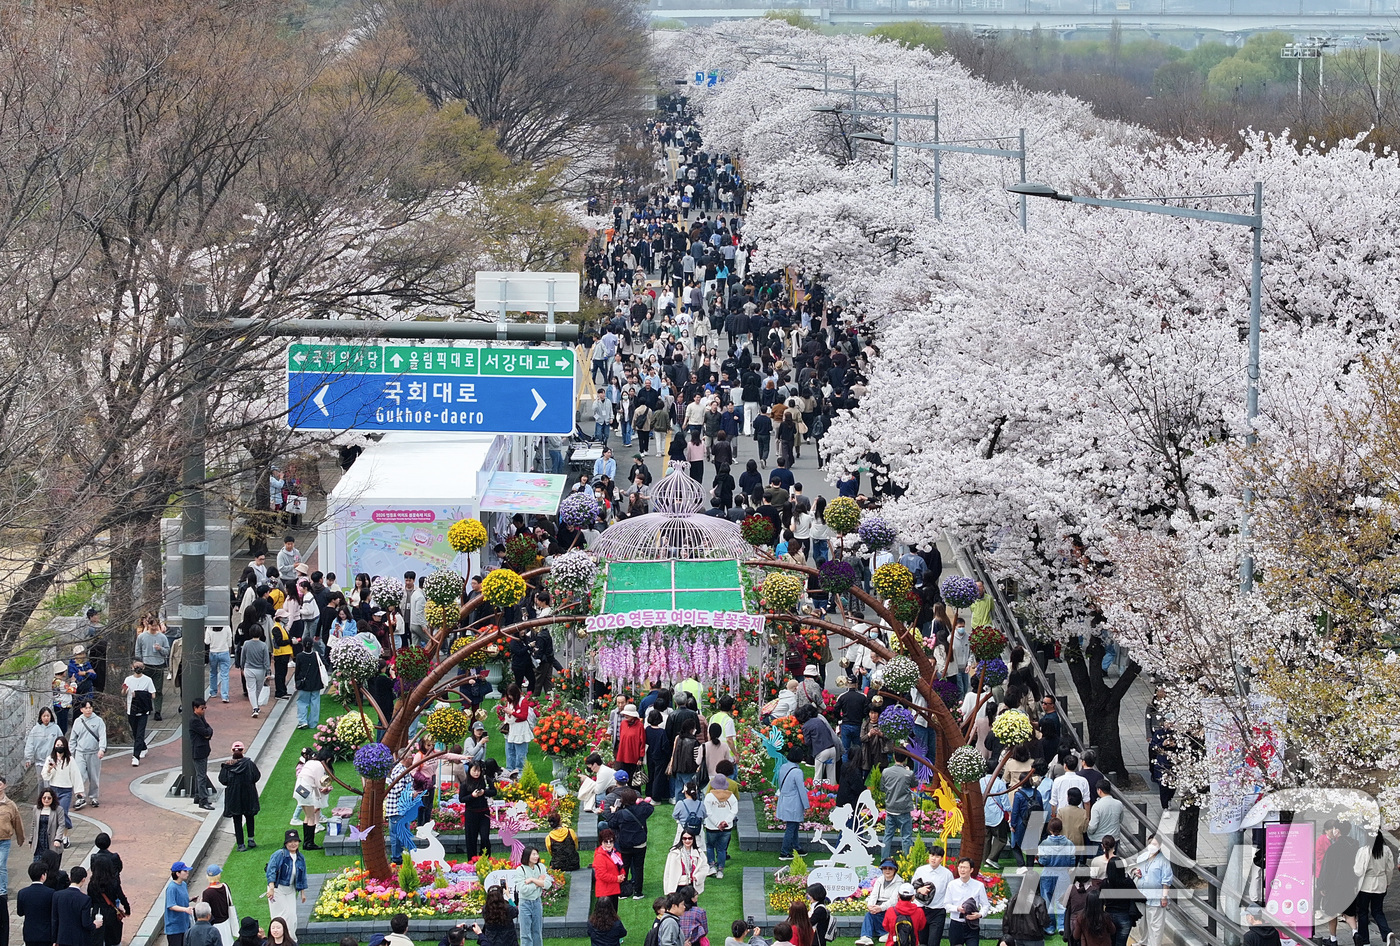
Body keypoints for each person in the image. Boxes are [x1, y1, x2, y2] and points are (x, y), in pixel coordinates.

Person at [604, 790, 654, 900]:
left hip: (625, 844)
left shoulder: (620, 813)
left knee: (624, 867)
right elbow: (651, 808)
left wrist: (614, 811)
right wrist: (640, 802)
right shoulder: (641, 809)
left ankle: (623, 892)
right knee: (638, 867)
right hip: (639, 843)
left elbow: (611, 823)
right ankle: (638, 892)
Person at [1037, 817, 1076, 938]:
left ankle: (1049, 927)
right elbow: (1072, 861)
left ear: (1049, 829)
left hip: (1048, 873)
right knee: (1062, 900)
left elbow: (1042, 860)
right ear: (1061, 828)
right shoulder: (1069, 843)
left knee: (1047, 901)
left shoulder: (1044, 843)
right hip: (1063, 873)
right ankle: (1062, 926)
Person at [220, 741, 262, 852]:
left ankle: (240, 844)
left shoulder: (227, 766)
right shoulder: (249, 764)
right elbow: (256, 776)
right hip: (248, 794)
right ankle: (251, 839)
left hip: (234, 796)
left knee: (237, 820)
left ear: (232, 750)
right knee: (250, 817)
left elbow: (223, 780)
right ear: (243, 750)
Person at [1132, 834, 1173, 946]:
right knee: (1142, 923)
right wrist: (1135, 872)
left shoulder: (1164, 861)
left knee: (1155, 925)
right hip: (1141, 895)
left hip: (1156, 897)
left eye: (1154, 844)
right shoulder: (1142, 857)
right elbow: (1134, 869)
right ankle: (1144, 941)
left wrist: (1164, 897)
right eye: (1150, 843)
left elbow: (1166, 881)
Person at [1354, 832, 1394, 946]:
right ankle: (1387, 933)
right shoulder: (1386, 850)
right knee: (1378, 911)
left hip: (1366, 885)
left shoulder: (1364, 850)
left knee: (1363, 912)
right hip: (1381, 883)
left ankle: (1365, 940)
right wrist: (1388, 882)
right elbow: (1390, 869)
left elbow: (1358, 871)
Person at [940, 858, 989, 946]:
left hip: (972, 924)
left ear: (971, 870)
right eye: (960, 867)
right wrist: (957, 909)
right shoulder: (952, 885)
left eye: (965, 867)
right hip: (956, 924)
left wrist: (980, 914)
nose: (962, 870)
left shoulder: (979, 886)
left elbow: (985, 905)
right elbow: (946, 905)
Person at [69, 700, 107, 810]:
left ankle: (94, 796)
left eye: (90, 707)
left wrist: (101, 749)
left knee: (94, 776)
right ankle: (80, 797)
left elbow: (102, 736)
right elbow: (73, 739)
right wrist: (70, 753)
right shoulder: (78, 721)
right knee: (79, 775)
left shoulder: (98, 721)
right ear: (81, 710)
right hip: (80, 752)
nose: (88, 710)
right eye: (86, 708)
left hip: (94, 753)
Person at [265, 830, 307, 930]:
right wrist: (271, 888)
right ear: (286, 843)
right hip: (277, 889)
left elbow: (302, 876)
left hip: (291, 890)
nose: (293, 844)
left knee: (292, 917)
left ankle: (292, 940)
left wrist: (302, 893)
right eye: (290, 842)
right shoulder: (279, 854)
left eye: (295, 841)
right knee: (281, 916)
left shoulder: (300, 857)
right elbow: (271, 871)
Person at [855, 859, 903, 946]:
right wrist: (870, 906)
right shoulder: (879, 880)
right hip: (878, 906)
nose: (887, 871)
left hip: (891, 908)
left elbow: (893, 900)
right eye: (885, 868)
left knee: (887, 913)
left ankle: (886, 933)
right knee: (869, 914)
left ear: (895, 870)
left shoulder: (899, 882)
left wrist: (880, 908)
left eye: (890, 868)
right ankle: (866, 937)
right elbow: (874, 894)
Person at [294, 747, 333, 850]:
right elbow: (319, 783)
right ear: (328, 759)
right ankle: (309, 843)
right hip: (306, 790)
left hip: (299, 789)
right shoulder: (319, 766)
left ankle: (307, 842)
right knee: (311, 817)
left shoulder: (311, 762)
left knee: (307, 816)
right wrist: (326, 789)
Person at [776, 745, 810, 861]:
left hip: (785, 799)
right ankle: (784, 851)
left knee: (794, 825)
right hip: (794, 802)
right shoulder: (797, 772)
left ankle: (796, 847)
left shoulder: (784, 767)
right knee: (791, 827)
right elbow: (801, 789)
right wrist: (807, 805)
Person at [87, 853, 128, 946]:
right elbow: (121, 896)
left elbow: (90, 899)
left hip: (97, 912)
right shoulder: (114, 882)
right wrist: (127, 909)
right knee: (113, 939)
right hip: (111, 912)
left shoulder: (92, 883)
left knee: (98, 939)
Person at [40, 737, 81, 830]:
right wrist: (50, 769)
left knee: (63, 812)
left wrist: (78, 791)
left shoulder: (70, 760)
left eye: (61, 745)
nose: (59, 747)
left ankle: (65, 834)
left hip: (66, 790)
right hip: (53, 789)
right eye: (57, 745)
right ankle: (57, 834)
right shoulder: (50, 759)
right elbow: (45, 776)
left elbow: (76, 775)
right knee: (53, 813)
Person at [53, 867, 101, 946]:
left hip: (62, 938)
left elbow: (55, 919)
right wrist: (94, 925)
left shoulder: (57, 895)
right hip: (79, 940)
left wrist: (54, 940)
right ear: (83, 879)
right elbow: (85, 923)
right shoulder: (85, 899)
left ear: (70, 878)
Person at [514, 846, 552, 946]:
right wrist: (538, 882)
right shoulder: (520, 870)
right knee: (525, 933)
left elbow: (547, 884)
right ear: (527, 856)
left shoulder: (541, 867)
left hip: (537, 902)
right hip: (525, 903)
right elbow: (523, 890)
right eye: (533, 854)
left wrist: (532, 880)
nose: (536, 857)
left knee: (537, 931)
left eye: (537, 854)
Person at [703, 774, 738, 879]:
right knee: (722, 849)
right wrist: (725, 822)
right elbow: (734, 810)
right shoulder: (731, 796)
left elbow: (708, 812)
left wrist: (717, 823)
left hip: (712, 827)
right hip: (726, 828)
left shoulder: (709, 796)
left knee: (710, 846)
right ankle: (720, 871)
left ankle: (712, 866)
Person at [880, 755, 915, 861]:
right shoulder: (909, 773)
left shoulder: (885, 772)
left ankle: (883, 859)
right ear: (905, 759)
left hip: (890, 808)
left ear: (894, 757)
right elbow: (914, 784)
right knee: (906, 837)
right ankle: (906, 860)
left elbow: (882, 787)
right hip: (904, 809)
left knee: (887, 836)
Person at [459, 759, 495, 859]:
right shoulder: (465, 784)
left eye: (478, 771)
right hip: (471, 814)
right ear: (470, 770)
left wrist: (484, 792)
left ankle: (485, 857)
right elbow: (462, 799)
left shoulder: (485, 780)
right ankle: (472, 859)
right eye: (474, 770)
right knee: (471, 839)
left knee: (485, 837)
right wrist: (472, 796)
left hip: (484, 813)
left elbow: (494, 792)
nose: (476, 773)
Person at [121, 662, 157, 764]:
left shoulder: (148, 680)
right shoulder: (128, 679)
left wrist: (139, 694)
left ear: (144, 668)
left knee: (140, 733)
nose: (138, 668)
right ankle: (143, 747)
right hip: (131, 710)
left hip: (143, 710)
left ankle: (135, 756)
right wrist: (124, 690)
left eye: (140, 667)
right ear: (132, 667)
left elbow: (153, 695)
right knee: (135, 733)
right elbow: (123, 693)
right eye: (136, 666)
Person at [0, 774, 25, 907]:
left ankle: (2, 892)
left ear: (4, 785)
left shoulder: (10, 805)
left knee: (1, 866)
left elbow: (17, 822)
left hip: (4, 840)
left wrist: (20, 838)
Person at [16, 861, 54, 946]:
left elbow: (20, 913)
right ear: (43, 876)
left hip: (29, 933)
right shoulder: (51, 893)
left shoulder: (22, 893)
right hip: (46, 934)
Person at [664, 829, 709, 895]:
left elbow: (705, 867)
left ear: (693, 839)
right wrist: (668, 890)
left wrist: (697, 877)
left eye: (690, 838)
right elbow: (667, 872)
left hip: (692, 886)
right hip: (678, 886)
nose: (687, 841)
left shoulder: (699, 852)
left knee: (692, 905)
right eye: (685, 838)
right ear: (681, 839)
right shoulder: (674, 853)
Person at [293, 644, 328, 729]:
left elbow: (297, 671)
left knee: (302, 702)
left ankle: (303, 721)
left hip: (304, 684)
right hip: (316, 683)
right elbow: (325, 664)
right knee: (315, 703)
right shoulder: (317, 655)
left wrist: (296, 682)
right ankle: (313, 723)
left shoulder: (299, 656)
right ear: (312, 646)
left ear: (303, 646)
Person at [190, 699, 217, 810]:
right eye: (202, 708)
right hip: (199, 751)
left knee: (200, 775)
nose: (204, 710)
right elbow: (206, 732)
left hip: (202, 750)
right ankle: (203, 800)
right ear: (195, 708)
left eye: (205, 708)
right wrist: (208, 733)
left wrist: (208, 733)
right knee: (202, 776)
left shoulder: (200, 718)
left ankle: (198, 796)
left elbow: (209, 729)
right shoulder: (194, 720)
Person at [22, 707, 61, 782]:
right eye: (44, 716)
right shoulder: (35, 729)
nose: (46, 718)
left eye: (48, 716)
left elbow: (61, 742)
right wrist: (28, 758)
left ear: (51, 716)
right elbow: (30, 744)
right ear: (40, 717)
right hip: (40, 761)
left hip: (52, 759)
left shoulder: (56, 728)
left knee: (50, 781)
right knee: (41, 782)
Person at [240, 627, 271, 719]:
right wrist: (268, 671)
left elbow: (243, 657)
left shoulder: (246, 644)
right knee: (258, 688)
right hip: (260, 670)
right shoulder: (263, 645)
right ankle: (256, 706)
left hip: (248, 669)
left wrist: (242, 667)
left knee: (251, 689)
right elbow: (266, 660)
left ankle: (255, 707)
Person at [1087, 781, 1124, 855]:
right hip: (1114, 839)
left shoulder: (1096, 806)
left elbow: (1093, 827)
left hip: (1099, 840)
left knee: (1100, 863)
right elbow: (1120, 820)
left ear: (1099, 790)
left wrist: (1088, 831)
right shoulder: (1119, 804)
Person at [592, 828, 625, 908]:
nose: (609, 844)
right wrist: (616, 879)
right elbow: (602, 875)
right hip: (604, 892)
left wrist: (622, 875)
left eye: (611, 841)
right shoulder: (600, 856)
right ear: (601, 842)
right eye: (606, 842)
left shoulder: (615, 853)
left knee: (614, 915)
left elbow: (620, 867)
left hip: (614, 890)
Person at [165, 862, 196, 946]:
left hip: (185, 925)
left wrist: (190, 899)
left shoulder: (183, 884)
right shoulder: (172, 888)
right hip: (175, 928)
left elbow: (180, 899)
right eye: (185, 871)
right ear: (177, 873)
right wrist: (185, 909)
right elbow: (171, 905)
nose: (187, 872)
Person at [30, 789, 65, 858]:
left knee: (51, 866)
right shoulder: (36, 809)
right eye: (44, 798)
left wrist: (57, 839)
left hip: (52, 842)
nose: (46, 800)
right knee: (38, 865)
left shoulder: (58, 809)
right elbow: (33, 825)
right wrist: (31, 840)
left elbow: (61, 825)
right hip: (39, 842)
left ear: (53, 799)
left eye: (49, 798)